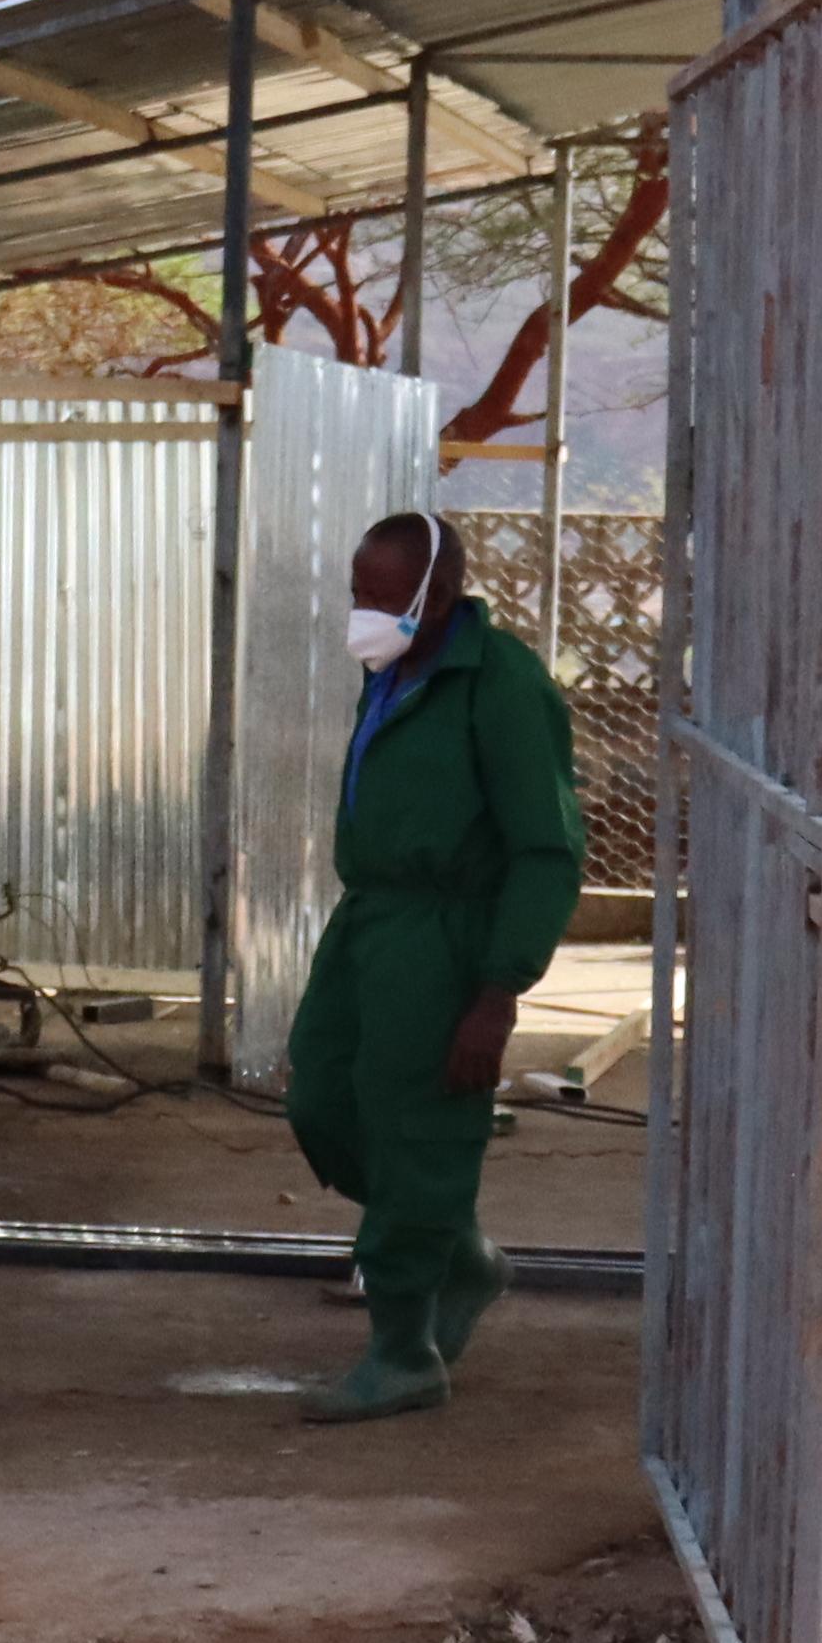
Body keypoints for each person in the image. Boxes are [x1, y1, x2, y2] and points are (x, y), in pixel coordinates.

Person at [280, 510, 584, 1424]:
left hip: (448, 937)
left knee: (418, 1131)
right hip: (371, 917)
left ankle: (403, 1348)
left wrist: (496, 994)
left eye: (382, 596)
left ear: (438, 595)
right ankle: (462, 1255)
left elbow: (546, 850)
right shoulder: (391, 672)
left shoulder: (499, 687)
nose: (362, 613)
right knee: (324, 1098)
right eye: (357, 593)